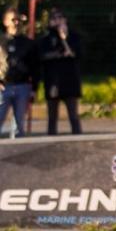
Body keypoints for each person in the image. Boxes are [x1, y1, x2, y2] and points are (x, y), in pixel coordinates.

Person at [39, 9, 83, 135]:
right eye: (54, 18)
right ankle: (50, 139)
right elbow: (42, 56)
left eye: (60, 18)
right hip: (53, 81)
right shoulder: (46, 39)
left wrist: (65, 39)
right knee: (52, 117)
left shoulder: (74, 37)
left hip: (70, 81)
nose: (57, 21)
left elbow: (76, 54)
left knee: (73, 115)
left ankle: (77, 139)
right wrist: (57, 55)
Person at [0, 8, 38, 138]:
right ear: (5, 22)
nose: (16, 22)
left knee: (18, 124)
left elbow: (34, 66)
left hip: (22, 86)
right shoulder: (1, 41)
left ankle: (17, 152)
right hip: (3, 87)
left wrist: (34, 87)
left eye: (17, 19)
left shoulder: (27, 43)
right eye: (12, 19)